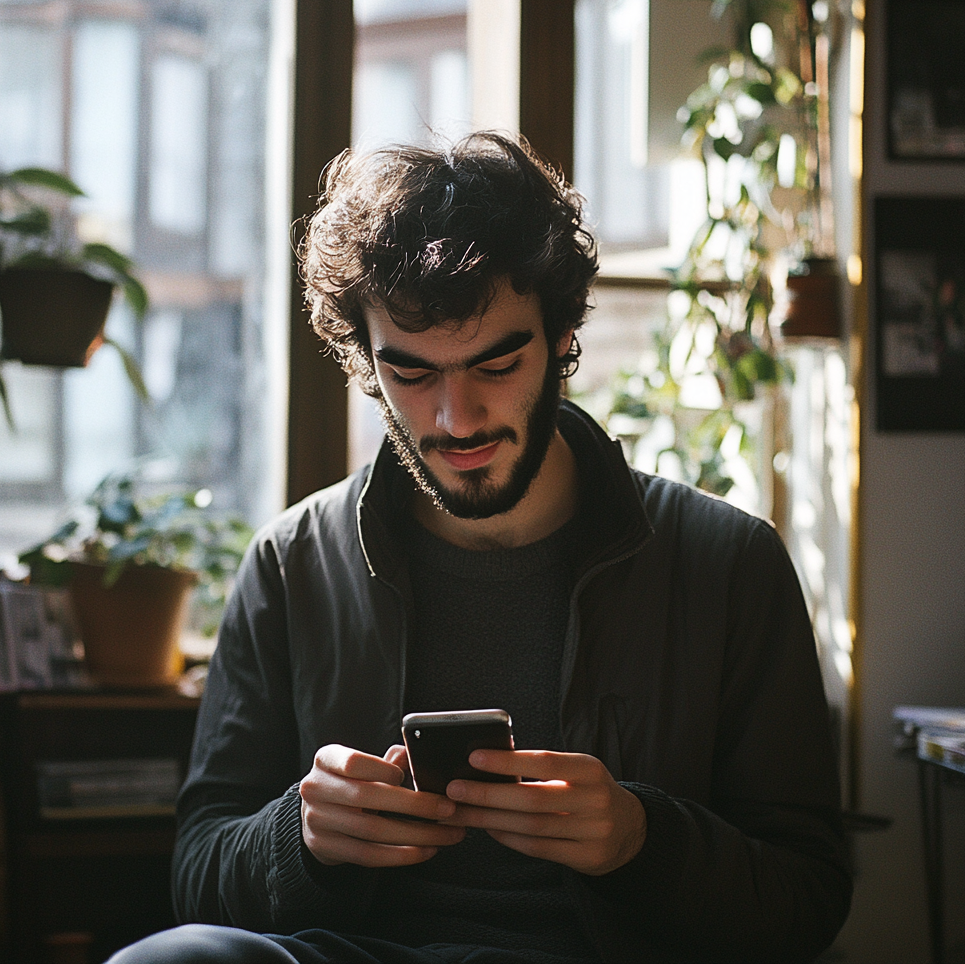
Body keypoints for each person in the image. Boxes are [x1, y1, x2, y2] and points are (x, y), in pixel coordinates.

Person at [109, 134, 851, 964]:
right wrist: (301, 835)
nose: (456, 419)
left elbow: (807, 899)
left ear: (562, 334)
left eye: (497, 363)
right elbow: (199, 873)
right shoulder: (290, 565)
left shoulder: (729, 564)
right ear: (364, 359)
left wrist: (644, 839)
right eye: (413, 375)